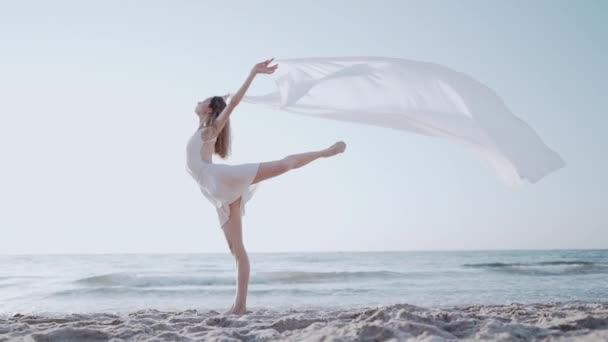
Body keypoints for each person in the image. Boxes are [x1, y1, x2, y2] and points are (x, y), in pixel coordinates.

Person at [185, 58, 347, 315]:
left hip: (220, 180)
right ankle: (240, 307)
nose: (198, 101)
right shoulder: (202, 130)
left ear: (208, 109)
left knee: (284, 165)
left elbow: (234, 104)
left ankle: (325, 152)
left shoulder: (209, 130)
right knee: (236, 249)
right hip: (213, 190)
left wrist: (252, 73)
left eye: (203, 100)